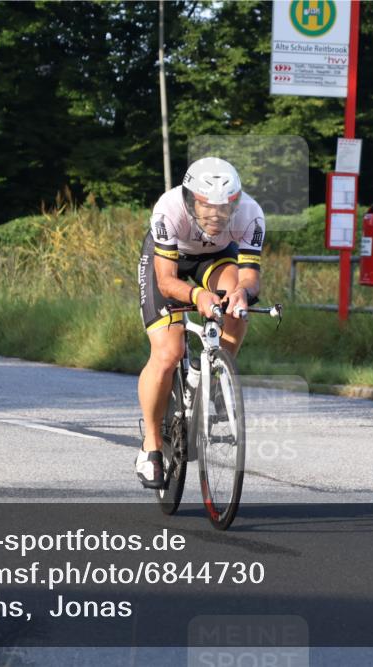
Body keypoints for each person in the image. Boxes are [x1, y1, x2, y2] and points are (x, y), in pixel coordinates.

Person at [135, 157, 265, 488]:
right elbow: (166, 281)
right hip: (169, 261)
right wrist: (197, 297)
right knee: (168, 352)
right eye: (208, 207)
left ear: (237, 201)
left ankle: (213, 375)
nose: (217, 216)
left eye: (226, 208)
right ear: (192, 199)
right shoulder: (168, 208)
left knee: (235, 310)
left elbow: (250, 276)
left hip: (214, 259)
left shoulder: (251, 214)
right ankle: (150, 445)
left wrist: (241, 294)